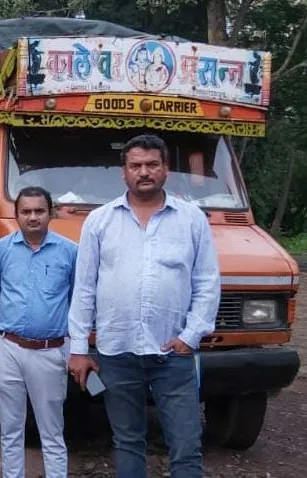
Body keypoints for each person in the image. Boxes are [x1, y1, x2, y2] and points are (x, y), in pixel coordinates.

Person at [68, 134, 221, 478]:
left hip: (174, 355)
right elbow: (84, 289)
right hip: (116, 352)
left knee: (186, 445)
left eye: (152, 164)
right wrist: (78, 348)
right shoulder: (100, 221)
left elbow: (207, 282)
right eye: (135, 165)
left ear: (166, 169)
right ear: (123, 172)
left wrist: (190, 336)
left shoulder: (192, 219)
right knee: (127, 441)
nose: (144, 172)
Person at [0, 186, 77, 478]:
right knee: (10, 430)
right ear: (16, 215)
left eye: (39, 211)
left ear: (51, 213)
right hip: (9, 349)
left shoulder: (70, 251)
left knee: (51, 431)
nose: (33, 217)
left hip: (50, 351)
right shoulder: (1, 249)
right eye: (26, 211)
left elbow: (76, 299)